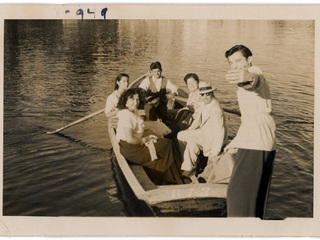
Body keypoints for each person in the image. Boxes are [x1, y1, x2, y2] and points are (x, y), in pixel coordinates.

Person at [224, 45, 276, 218]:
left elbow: (254, 80)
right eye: (231, 63)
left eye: (238, 60)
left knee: (237, 199)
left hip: (256, 139)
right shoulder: (249, 78)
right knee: (254, 202)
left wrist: (247, 78)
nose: (235, 66)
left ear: (249, 60)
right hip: (261, 138)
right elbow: (250, 116)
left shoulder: (254, 71)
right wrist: (237, 141)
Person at [115, 88, 175, 184]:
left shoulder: (133, 112)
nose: (136, 102)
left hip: (132, 146)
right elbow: (130, 139)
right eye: (132, 99)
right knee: (167, 145)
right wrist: (145, 139)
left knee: (162, 141)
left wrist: (149, 133)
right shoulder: (126, 115)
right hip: (131, 149)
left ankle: (157, 170)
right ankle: (159, 173)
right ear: (125, 102)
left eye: (137, 99)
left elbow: (137, 129)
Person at [177, 81, 228, 177]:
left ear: (212, 93)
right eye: (202, 94)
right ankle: (189, 164)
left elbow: (220, 132)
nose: (205, 97)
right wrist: (189, 130)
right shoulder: (204, 103)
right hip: (204, 132)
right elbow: (198, 121)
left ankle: (192, 167)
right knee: (181, 135)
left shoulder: (216, 110)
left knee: (192, 142)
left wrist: (214, 153)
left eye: (208, 94)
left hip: (212, 138)